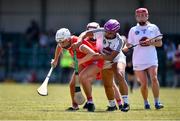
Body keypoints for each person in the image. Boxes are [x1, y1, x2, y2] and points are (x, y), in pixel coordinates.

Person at [74, 19, 130, 112]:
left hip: (116, 58)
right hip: (103, 59)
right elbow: (85, 33)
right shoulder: (101, 31)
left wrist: (96, 57)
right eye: (106, 31)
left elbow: (111, 57)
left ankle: (126, 103)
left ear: (115, 32)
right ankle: (112, 105)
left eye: (109, 32)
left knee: (120, 75)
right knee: (108, 84)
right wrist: (79, 41)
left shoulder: (119, 41)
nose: (106, 34)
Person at [51, 28, 104, 112]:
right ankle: (74, 106)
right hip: (84, 62)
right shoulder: (64, 43)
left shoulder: (78, 44)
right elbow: (59, 46)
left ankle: (90, 103)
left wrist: (79, 61)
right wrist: (56, 60)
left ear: (68, 39)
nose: (61, 44)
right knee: (72, 84)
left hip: (95, 61)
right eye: (59, 42)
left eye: (63, 42)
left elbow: (93, 54)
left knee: (83, 77)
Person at [124, 8, 164, 109]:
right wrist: (126, 48)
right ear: (136, 17)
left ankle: (157, 102)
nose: (141, 17)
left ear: (147, 16)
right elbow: (129, 44)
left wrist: (151, 42)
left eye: (143, 15)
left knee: (154, 78)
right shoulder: (133, 30)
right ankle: (146, 103)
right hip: (138, 60)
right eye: (139, 15)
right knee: (144, 84)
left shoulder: (153, 28)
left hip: (151, 58)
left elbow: (160, 43)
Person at [83, 22, 123, 111]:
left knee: (111, 84)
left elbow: (110, 55)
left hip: (105, 62)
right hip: (98, 62)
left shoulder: (100, 36)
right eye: (88, 29)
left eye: (92, 29)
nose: (90, 32)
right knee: (87, 79)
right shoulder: (86, 40)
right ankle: (89, 101)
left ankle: (119, 103)